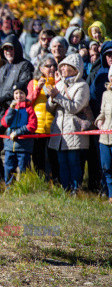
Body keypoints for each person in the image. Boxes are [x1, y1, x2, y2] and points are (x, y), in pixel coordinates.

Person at [47, 53, 90, 194]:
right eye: (62, 66)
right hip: (60, 132)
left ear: (75, 69)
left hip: (74, 129)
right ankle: (66, 189)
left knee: (74, 162)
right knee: (62, 162)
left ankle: (76, 190)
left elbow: (75, 107)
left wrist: (57, 97)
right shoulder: (59, 84)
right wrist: (52, 99)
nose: (63, 68)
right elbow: (49, 108)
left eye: (66, 66)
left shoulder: (82, 86)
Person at [27, 55, 59, 182]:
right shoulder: (33, 83)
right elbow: (28, 102)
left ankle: (56, 182)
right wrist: (38, 88)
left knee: (53, 157)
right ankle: (41, 182)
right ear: (40, 68)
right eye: (48, 66)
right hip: (37, 127)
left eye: (53, 65)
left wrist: (57, 83)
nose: (51, 68)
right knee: (38, 157)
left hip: (54, 126)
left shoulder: (58, 82)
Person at [1, 81, 37, 186]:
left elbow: (32, 125)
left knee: (23, 168)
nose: (18, 96)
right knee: (8, 167)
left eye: (21, 93)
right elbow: (5, 122)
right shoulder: (10, 108)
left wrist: (18, 132)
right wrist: (12, 110)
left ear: (25, 95)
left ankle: (24, 187)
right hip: (9, 145)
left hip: (23, 146)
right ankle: (9, 188)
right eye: (16, 93)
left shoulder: (29, 108)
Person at [0, 34, 34, 107]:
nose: (8, 51)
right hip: (1, 107)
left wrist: (4, 98)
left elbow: (22, 86)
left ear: (16, 49)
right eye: (6, 48)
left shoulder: (25, 65)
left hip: (16, 107)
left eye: (11, 48)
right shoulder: (2, 69)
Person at [95, 66, 112, 203]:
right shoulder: (106, 94)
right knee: (106, 168)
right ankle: (110, 195)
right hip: (105, 137)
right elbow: (102, 113)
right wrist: (99, 121)